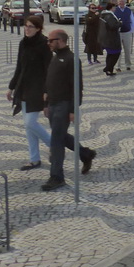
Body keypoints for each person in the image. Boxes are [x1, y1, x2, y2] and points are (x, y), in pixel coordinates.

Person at [42, 30, 95, 191]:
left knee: (56, 140)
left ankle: (57, 177)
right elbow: (49, 80)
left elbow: (77, 86)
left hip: (64, 105)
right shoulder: (55, 58)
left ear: (61, 40)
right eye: (48, 41)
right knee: (62, 136)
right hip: (52, 104)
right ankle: (86, 153)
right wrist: (45, 103)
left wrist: (73, 109)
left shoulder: (72, 59)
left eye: (51, 40)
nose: (49, 43)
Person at [6, 15, 53, 170]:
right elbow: (19, 67)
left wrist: (47, 91)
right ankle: (34, 159)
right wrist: (11, 87)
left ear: (38, 28)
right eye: (26, 26)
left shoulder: (44, 45)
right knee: (28, 127)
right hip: (24, 88)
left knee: (30, 122)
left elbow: (49, 70)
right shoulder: (23, 43)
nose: (27, 29)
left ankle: (54, 145)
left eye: (30, 26)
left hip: (38, 89)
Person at [99, 0, 122, 76]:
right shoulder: (110, 16)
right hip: (112, 39)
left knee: (110, 54)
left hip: (107, 38)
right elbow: (112, 26)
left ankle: (109, 69)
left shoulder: (104, 15)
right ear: (111, 8)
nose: (115, 8)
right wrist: (119, 23)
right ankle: (108, 68)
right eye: (114, 7)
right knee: (115, 54)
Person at [113, 0, 134, 70]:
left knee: (127, 50)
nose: (121, 3)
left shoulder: (128, 10)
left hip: (127, 32)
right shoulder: (115, 10)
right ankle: (118, 66)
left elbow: (132, 21)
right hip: (117, 33)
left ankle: (128, 65)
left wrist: (131, 31)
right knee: (118, 50)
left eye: (122, 1)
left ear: (125, 2)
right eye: (120, 1)